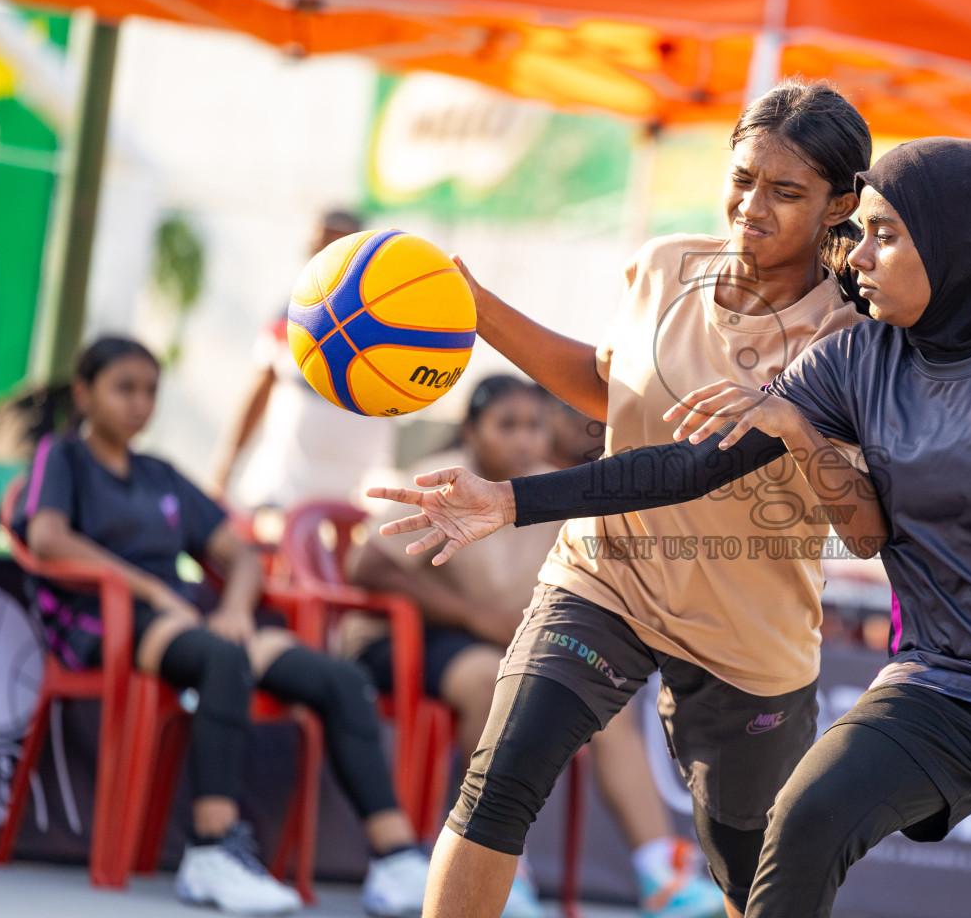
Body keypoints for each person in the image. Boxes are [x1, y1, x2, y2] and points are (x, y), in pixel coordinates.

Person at [376, 139, 971, 918]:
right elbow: (682, 466)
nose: (855, 257)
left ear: (957, 248)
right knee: (808, 814)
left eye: (884, 236)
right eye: (858, 234)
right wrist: (510, 503)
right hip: (950, 686)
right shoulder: (853, 361)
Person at [372, 78, 878, 918]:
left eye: (786, 193)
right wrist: (477, 310)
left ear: (840, 205)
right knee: (498, 784)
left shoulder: (851, 338)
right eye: (744, 178)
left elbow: (688, 466)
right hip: (605, 581)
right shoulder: (662, 266)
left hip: (747, 630)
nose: (751, 206)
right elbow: (610, 390)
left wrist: (511, 499)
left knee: (754, 882)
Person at [14, 337, 429, 918]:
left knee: (337, 679)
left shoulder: (159, 475)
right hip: (99, 618)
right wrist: (154, 588)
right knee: (221, 659)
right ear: (84, 393)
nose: (139, 404)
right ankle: (212, 850)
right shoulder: (62, 458)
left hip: (188, 623)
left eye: (150, 392)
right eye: (124, 388)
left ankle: (395, 859)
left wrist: (236, 607)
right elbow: (47, 538)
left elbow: (240, 555)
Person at [346, 375, 727, 918]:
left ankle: (663, 876)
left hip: (507, 647)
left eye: (534, 425)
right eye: (507, 426)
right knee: (488, 679)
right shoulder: (435, 478)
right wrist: (475, 617)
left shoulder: (551, 487)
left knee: (604, 700)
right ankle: (497, 867)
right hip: (410, 643)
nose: (523, 439)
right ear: (470, 431)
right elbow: (366, 564)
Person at [216, 209, 395, 508]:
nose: (322, 255)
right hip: (284, 487)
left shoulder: (393, 318)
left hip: (356, 494)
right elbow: (261, 385)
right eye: (317, 246)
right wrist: (227, 464)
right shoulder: (291, 312)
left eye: (334, 246)